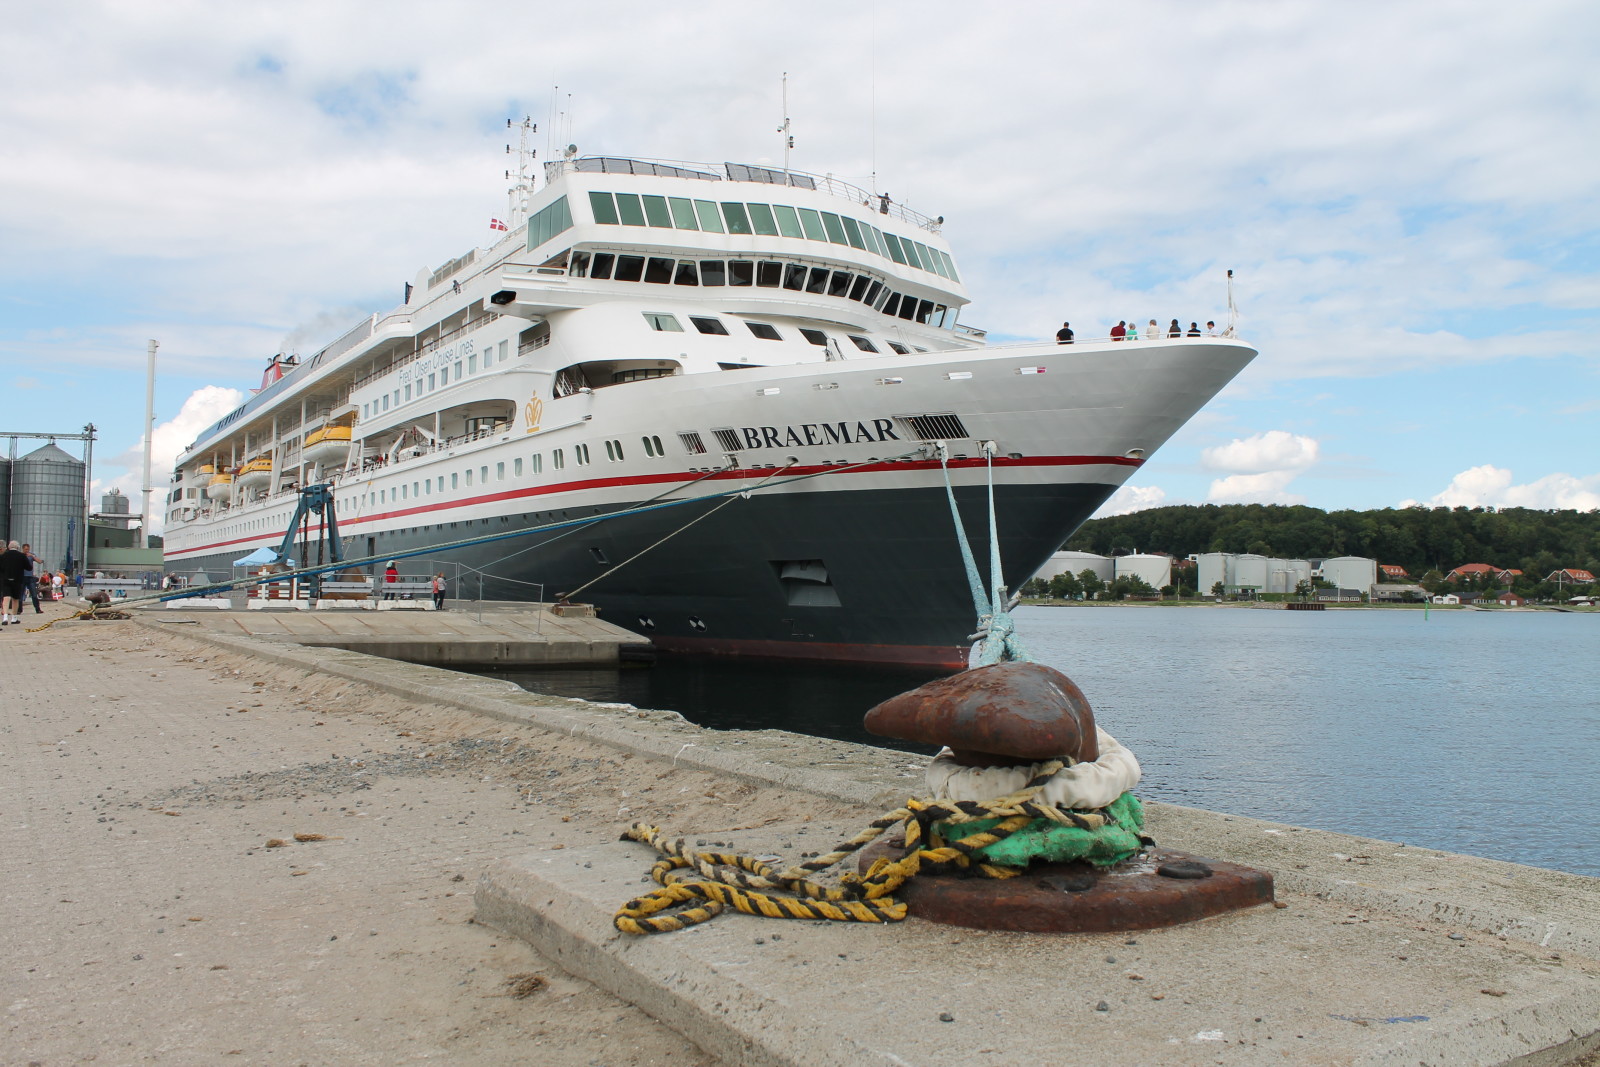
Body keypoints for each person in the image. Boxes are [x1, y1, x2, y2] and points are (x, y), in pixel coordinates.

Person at [0, 541, 27, 626]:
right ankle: (14, 618)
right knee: (15, 599)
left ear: (8, 547)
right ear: (18, 547)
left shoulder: (3, 555)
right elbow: (29, 567)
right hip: (17, 580)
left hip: (6, 579)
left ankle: (5, 617)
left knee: (6, 598)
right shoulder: (22, 556)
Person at [20, 544, 42, 614]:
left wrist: (32, 556)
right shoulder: (20, 555)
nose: (27, 551)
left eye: (28, 549)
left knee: (34, 594)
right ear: (23, 549)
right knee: (20, 594)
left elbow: (40, 561)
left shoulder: (31, 555)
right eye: (26, 549)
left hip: (30, 577)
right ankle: (19, 609)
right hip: (22, 576)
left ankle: (37, 609)